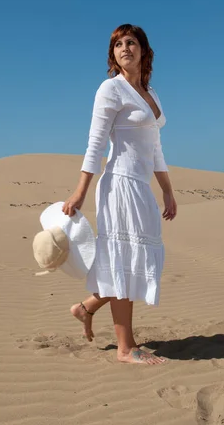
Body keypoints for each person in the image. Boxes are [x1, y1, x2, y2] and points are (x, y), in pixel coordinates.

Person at [62, 24, 177, 364]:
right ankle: (126, 348)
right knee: (123, 261)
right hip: (119, 184)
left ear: (144, 49)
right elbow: (95, 144)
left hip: (141, 187)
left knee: (128, 260)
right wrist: (81, 191)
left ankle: (86, 308)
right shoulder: (110, 89)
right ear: (113, 55)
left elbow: (155, 148)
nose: (125, 48)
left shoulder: (151, 94)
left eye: (131, 42)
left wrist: (168, 190)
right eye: (118, 45)